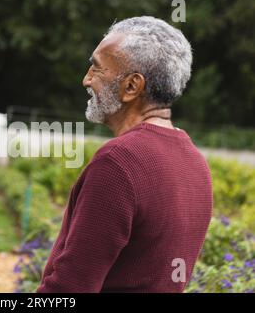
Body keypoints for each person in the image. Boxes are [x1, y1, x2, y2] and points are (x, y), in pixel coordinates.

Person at [37, 16, 213, 293]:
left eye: (96, 68)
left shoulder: (119, 161)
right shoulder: (195, 161)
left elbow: (71, 288)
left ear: (132, 86)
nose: (86, 79)